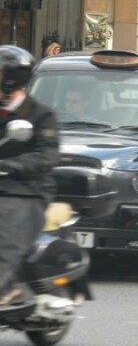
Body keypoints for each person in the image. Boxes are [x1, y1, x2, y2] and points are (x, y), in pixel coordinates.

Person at [0, 45, 59, 306]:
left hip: (27, 190)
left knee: (6, 230)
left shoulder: (41, 115)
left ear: (11, 77)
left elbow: (46, 155)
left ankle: (4, 286)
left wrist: (12, 165)